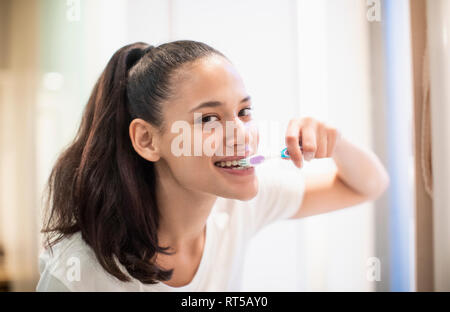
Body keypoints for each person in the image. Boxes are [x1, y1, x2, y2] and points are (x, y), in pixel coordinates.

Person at [36, 41, 389, 291]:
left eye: (244, 112)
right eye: (209, 118)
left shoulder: (239, 205)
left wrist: (336, 143)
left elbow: (369, 185)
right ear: (147, 139)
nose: (242, 135)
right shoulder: (79, 275)